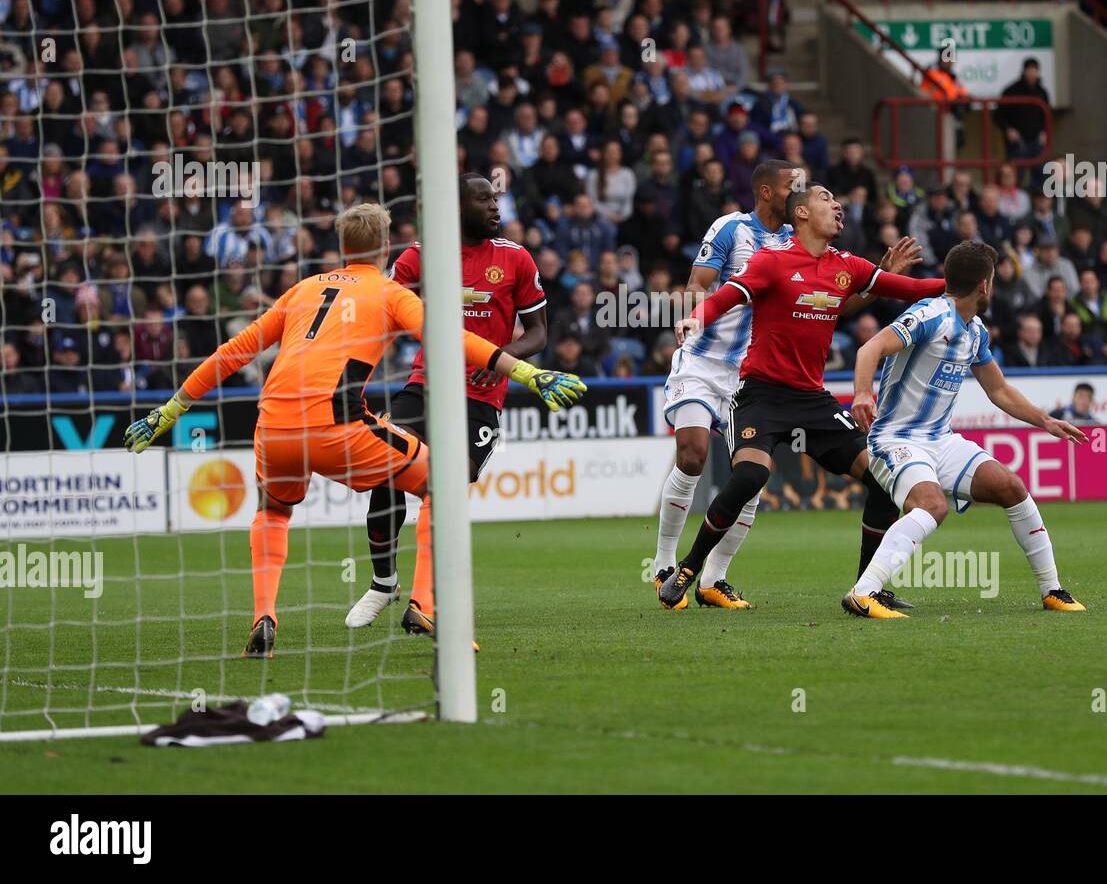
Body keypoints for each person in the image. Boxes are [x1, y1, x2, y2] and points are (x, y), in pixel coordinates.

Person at [123, 203, 585, 657]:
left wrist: (168, 411)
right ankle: (424, 603)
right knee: (443, 484)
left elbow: (233, 351)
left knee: (273, 511)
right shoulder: (389, 293)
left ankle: (265, 616)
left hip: (273, 427)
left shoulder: (303, 290)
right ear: (386, 247)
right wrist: (529, 374)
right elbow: (449, 336)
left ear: (342, 247)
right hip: (336, 425)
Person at [653, 165, 928, 608]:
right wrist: (697, 315)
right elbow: (699, 286)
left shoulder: (800, 247)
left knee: (752, 483)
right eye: (793, 186)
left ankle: (714, 580)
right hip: (709, 363)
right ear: (770, 192)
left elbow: (829, 302)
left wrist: (880, 279)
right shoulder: (733, 229)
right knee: (694, 454)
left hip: (773, 375)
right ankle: (668, 563)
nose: (803, 191)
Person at [347, 175, 551, 630]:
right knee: (386, 473)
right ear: (455, 206)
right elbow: (380, 314)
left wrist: (503, 358)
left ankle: (423, 602)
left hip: (480, 397)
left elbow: (539, 332)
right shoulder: (421, 256)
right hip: (425, 385)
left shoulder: (515, 258)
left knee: (443, 492)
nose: (494, 207)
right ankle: (383, 583)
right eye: (483, 199)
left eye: (495, 199)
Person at [847, 240, 1087, 618]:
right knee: (932, 505)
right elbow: (870, 348)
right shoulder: (929, 314)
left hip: (941, 441)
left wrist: (1045, 420)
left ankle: (1052, 589)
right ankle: (863, 592)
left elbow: (999, 390)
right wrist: (862, 392)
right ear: (984, 285)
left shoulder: (974, 330)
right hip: (896, 440)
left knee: (1012, 487)